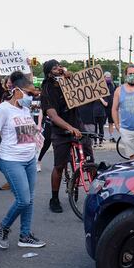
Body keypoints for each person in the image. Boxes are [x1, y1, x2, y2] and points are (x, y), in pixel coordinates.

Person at [0, 71, 45, 249]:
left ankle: (25, 235)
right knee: (23, 199)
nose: (31, 97)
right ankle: (3, 227)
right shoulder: (2, 109)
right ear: (17, 91)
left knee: (29, 199)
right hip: (10, 160)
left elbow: (26, 132)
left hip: (29, 159)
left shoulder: (24, 109)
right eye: (29, 93)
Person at [41, 59, 93, 213]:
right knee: (59, 165)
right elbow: (53, 115)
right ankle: (54, 198)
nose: (58, 68)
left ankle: (95, 189)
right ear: (49, 72)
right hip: (60, 130)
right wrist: (69, 128)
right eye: (54, 67)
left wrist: (71, 75)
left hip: (77, 125)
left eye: (59, 66)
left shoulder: (68, 81)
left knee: (89, 157)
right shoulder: (47, 89)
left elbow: (85, 84)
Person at [103, 72, 117, 142]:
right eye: (107, 77)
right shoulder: (102, 85)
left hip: (111, 106)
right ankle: (101, 136)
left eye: (109, 77)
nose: (108, 78)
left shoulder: (112, 84)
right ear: (104, 77)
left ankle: (111, 136)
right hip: (104, 106)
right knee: (101, 123)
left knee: (111, 122)